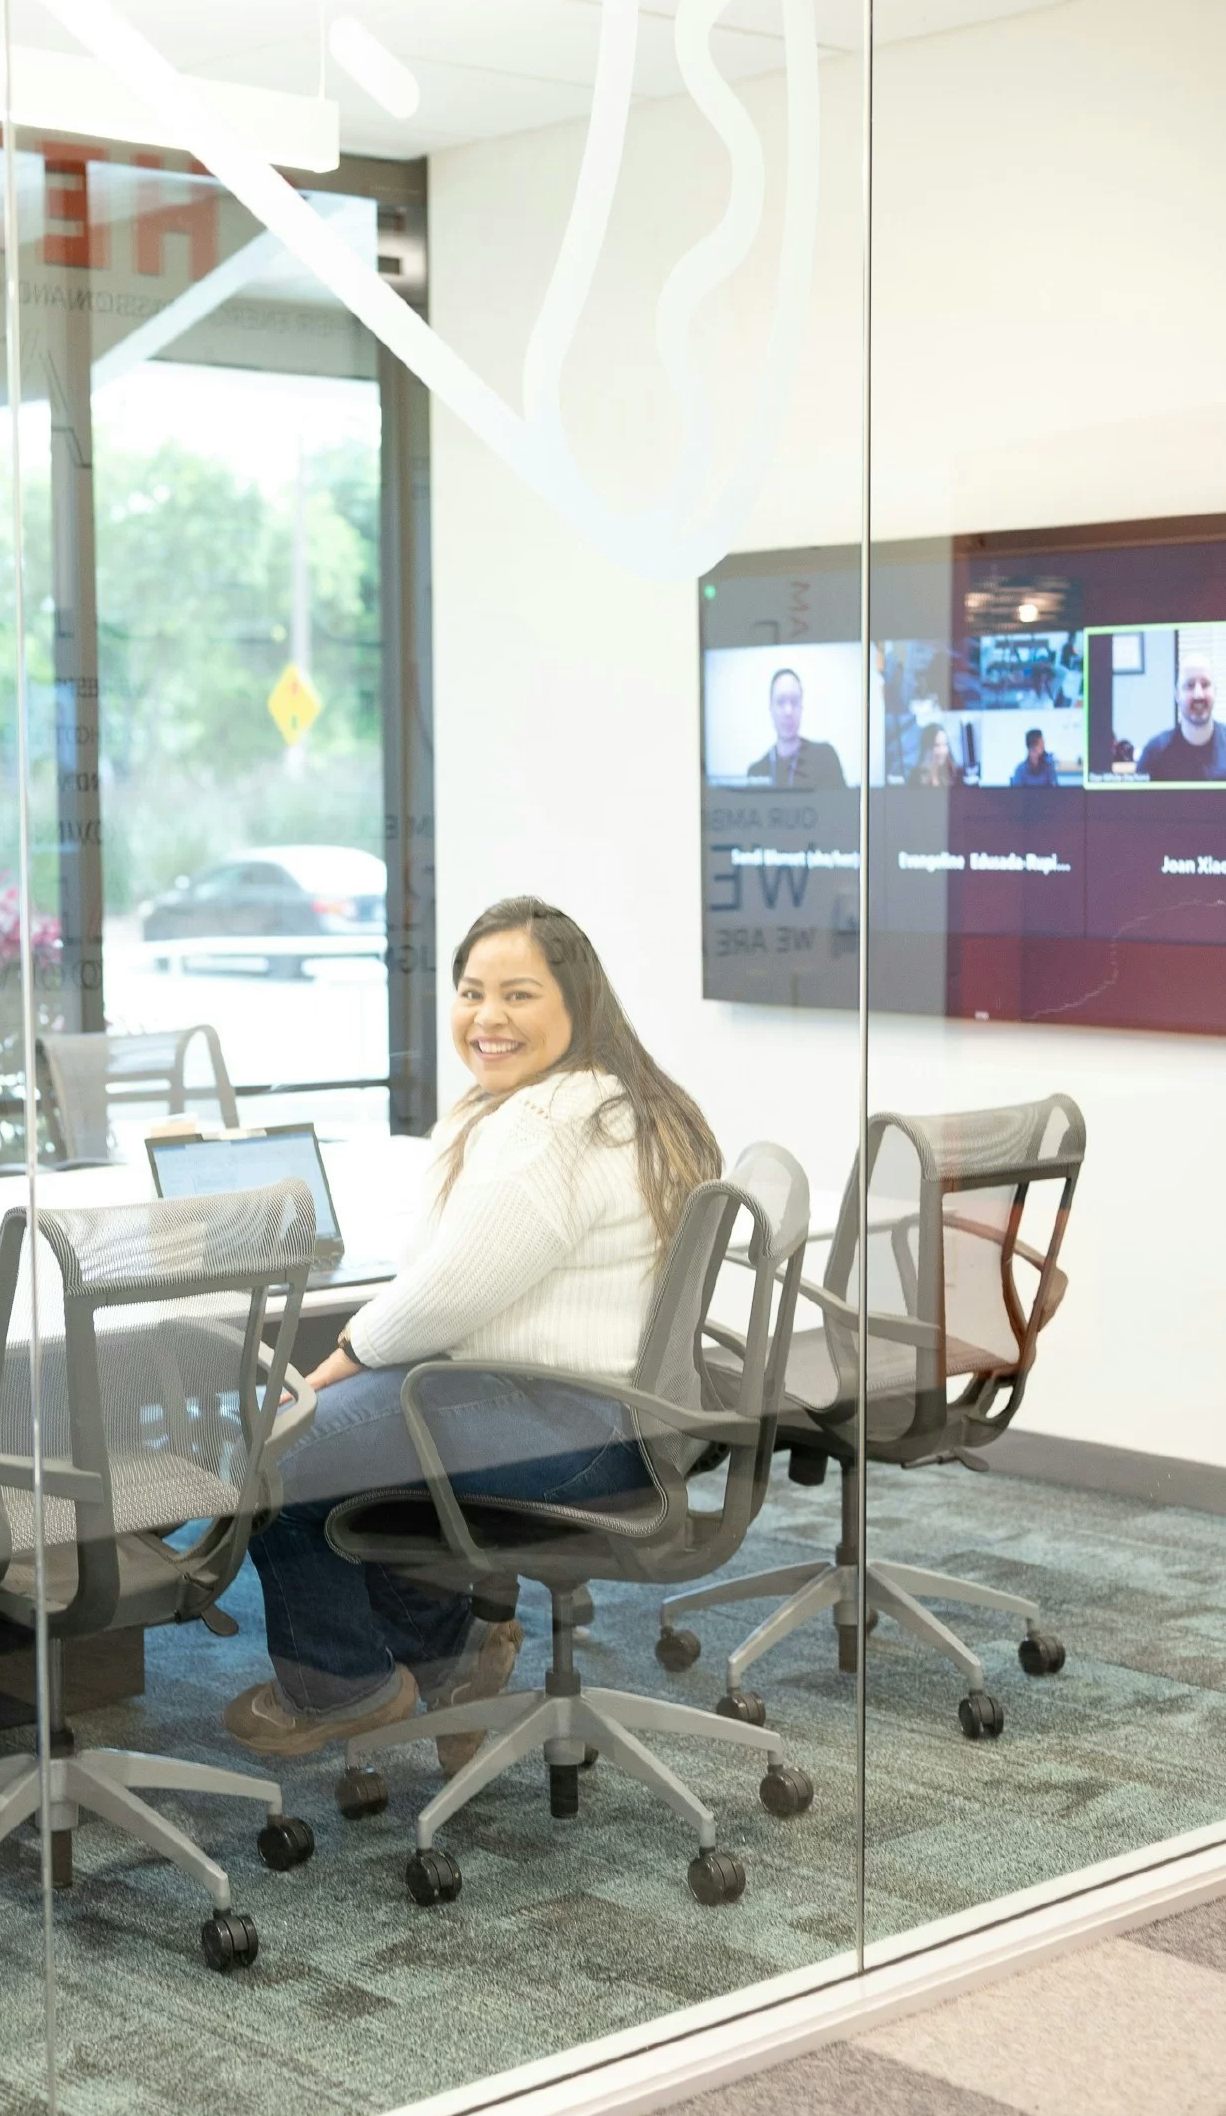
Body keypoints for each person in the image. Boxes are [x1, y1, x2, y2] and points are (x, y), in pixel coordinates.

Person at [223, 895, 722, 1766]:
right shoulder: (618, 1100)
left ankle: (345, 1690)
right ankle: (445, 1667)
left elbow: (448, 1292)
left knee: (279, 1445)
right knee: (359, 1441)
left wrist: (340, 1359)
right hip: (618, 1420)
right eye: (470, 991)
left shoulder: (544, 1126)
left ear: (578, 1006)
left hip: (567, 1425)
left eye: (519, 995)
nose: (487, 1017)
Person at [745, 666, 847, 791]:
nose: (788, 711)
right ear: (771, 709)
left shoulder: (826, 757)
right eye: (781, 702)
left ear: (801, 707)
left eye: (794, 701)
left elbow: (843, 808)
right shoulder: (756, 772)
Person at [1138, 654, 1226, 782]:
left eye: (1205, 684)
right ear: (1177, 695)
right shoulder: (1154, 753)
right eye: (1190, 685)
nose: (1198, 694)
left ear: (1215, 692)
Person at [910, 722, 962, 787]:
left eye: (945, 744)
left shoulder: (956, 773)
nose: (942, 751)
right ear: (927, 747)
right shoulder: (915, 776)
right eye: (937, 745)